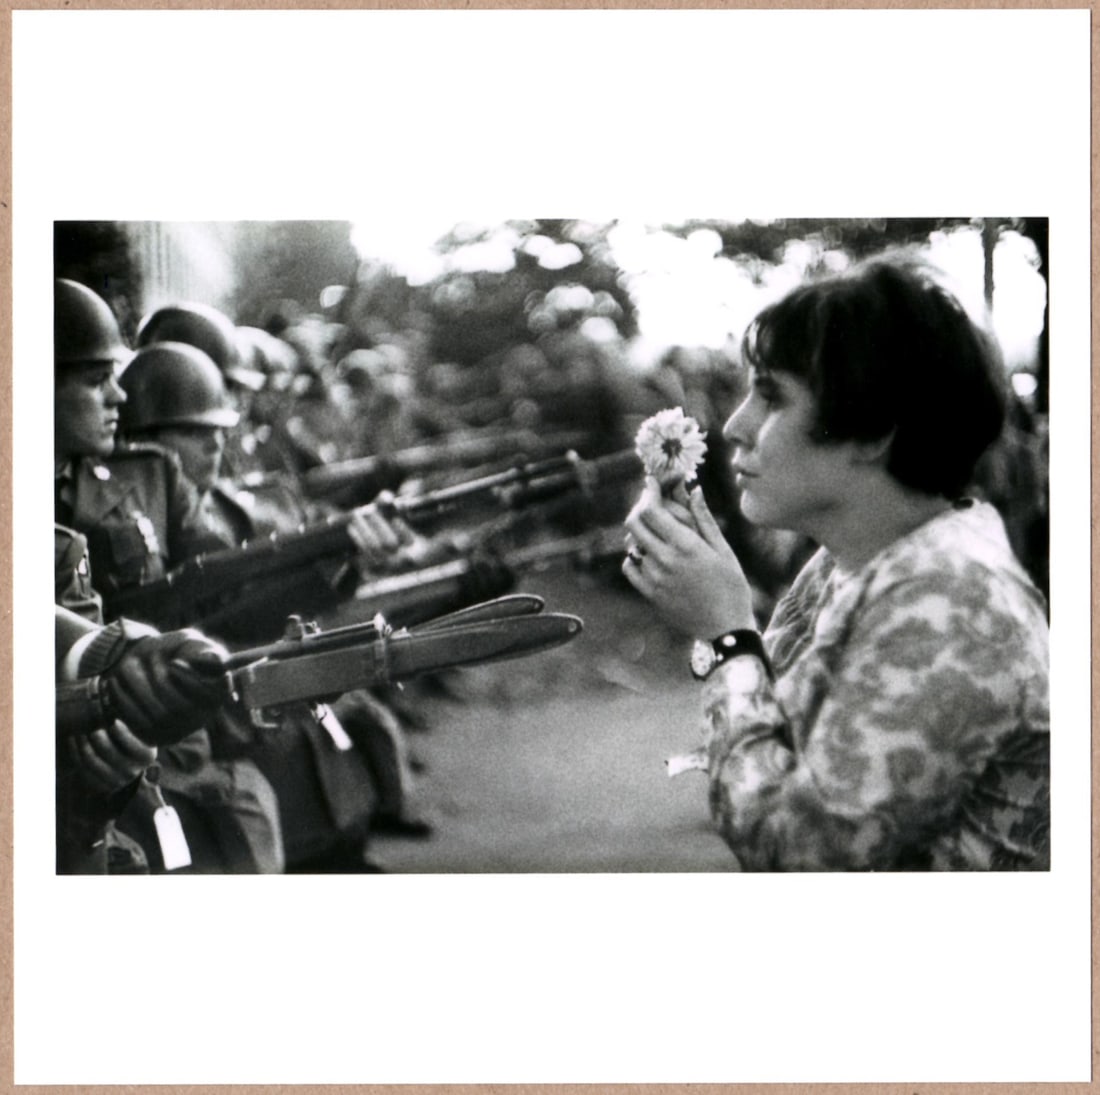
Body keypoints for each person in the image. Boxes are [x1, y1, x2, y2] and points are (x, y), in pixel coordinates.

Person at [623, 252, 1049, 872]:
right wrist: (715, 612)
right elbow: (771, 737)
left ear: (875, 430)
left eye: (771, 397)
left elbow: (801, 853)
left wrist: (724, 636)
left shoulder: (952, 598)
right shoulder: (852, 562)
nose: (736, 426)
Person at [54, 278, 284, 873]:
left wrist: (326, 566)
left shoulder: (135, 477)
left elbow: (223, 579)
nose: (119, 397)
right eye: (94, 380)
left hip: (129, 723)